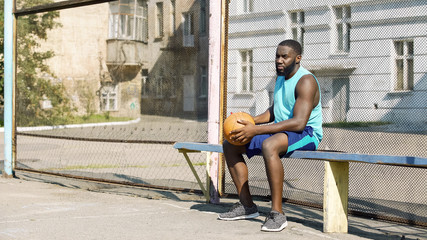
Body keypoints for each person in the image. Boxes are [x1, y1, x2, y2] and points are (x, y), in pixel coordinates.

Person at [218, 39, 323, 232]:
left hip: (307, 132)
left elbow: (299, 122)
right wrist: (249, 121)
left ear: (298, 58)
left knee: (269, 145)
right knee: (230, 144)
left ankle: (277, 213)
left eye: (285, 56)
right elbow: (275, 111)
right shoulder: (281, 77)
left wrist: (255, 130)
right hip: (283, 129)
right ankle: (247, 206)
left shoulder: (306, 81)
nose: (279, 60)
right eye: (277, 56)